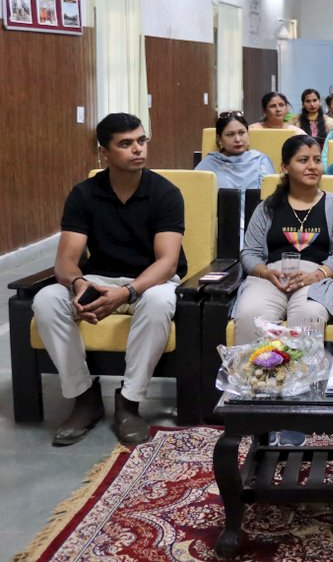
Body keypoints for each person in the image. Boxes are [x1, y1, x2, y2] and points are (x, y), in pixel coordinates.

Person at [33, 113, 187, 447]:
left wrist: (128, 291)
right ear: (104, 152)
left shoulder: (165, 193)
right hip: (98, 279)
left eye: (142, 141)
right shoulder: (84, 194)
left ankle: (129, 403)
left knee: (161, 301)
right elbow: (66, 262)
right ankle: (84, 398)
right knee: (46, 299)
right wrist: (78, 286)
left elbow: (167, 261)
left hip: (149, 282)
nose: (138, 150)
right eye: (126, 143)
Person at [235, 134, 333, 345]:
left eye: (317, 160)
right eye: (303, 160)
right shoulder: (267, 207)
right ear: (285, 166)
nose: (312, 166)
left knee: (308, 315)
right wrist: (265, 272)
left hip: (316, 279)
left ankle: (305, 378)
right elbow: (249, 252)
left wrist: (315, 275)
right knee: (250, 315)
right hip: (271, 277)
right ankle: (258, 377)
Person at [195, 112, 275, 189]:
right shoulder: (209, 163)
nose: (237, 139)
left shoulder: (260, 161)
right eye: (230, 134)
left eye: (241, 133)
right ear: (220, 139)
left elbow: (271, 197)